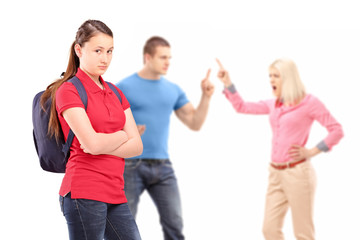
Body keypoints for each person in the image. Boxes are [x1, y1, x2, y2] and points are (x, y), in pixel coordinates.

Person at [216, 58, 343, 240]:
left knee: (303, 234)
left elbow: (336, 130)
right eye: (270, 76)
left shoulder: (310, 102)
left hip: (298, 174)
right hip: (275, 173)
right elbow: (242, 107)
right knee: (269, 229)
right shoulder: (273, 104)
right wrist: (228, 84)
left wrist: (312, 151)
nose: (271, 80)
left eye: (276, 76)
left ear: (289, 78)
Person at [41, 20, 143, 240]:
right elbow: (93, 144)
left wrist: (101, 144)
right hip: (83, 191)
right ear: (79, 50)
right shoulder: (69, 91)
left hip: (115, 192)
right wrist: (123, 135)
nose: (105, 58)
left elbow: (137, 146)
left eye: (109, 51)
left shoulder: (115, 92)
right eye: (97, 51)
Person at [116, 36, 214, 240]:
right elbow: (106, 125)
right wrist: (128, 132)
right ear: (148, 57)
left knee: (175, 225)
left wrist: (205, 96)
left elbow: (195, 123)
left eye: (169, 57)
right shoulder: (123, 88)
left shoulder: (173, 90)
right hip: (129, 166)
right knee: (124, 229)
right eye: (163, 57)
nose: (168, 62)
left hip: (163, 166)